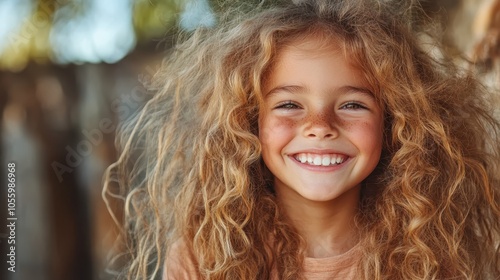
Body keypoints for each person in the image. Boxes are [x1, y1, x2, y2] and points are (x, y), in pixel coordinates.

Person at [104, 0, 500, 279]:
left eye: (352, 105)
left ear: (396, 124)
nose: (320, 125)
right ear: (247, 121)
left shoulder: (430, 254)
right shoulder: (206, 256)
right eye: (290, 104)